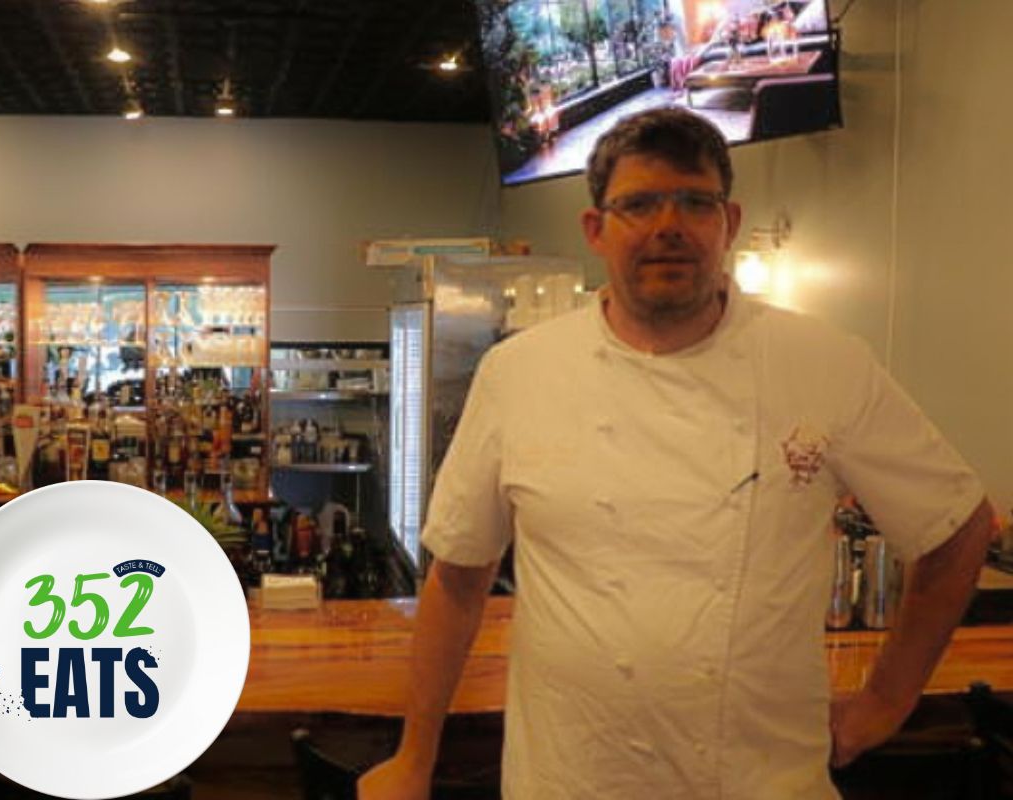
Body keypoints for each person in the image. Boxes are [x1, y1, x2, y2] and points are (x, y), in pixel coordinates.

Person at [358, 108, 993, 799]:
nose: (670, 225)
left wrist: (885, 703)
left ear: (730, 222)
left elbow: (957, 530)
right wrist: (414, 756)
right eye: (639, 204)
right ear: (596, 230)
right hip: (568, 780)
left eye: (695, 201)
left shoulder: (826, 364)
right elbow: (458, 576)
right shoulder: (520, 373)